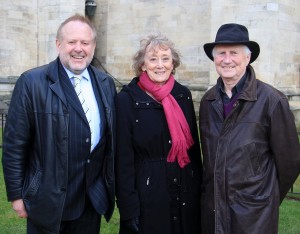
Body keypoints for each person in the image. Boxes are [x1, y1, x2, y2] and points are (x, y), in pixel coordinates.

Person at [2, 14, 117, 234]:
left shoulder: (105, 83)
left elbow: (110, 141)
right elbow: (14, 145)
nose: (78, 48)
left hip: (90, 201)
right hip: (47, 199)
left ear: (93, 46)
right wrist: (16, 195)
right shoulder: (31, 82)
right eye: (72, 42)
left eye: (85, 42)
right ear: (58, 44)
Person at [199, 23, 300, 234]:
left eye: (234, 52)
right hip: (214, 212)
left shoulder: (272, 101)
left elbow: (289, 164)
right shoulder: (208, 101)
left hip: (254, 218)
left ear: (247, 57)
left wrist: (265, 200)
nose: (227, 59)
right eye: (221, 53)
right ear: (214, 59)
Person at [115, 33, 202, 234]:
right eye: (153, 59)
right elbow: (123, 160)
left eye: (165, 58)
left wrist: (198, 191)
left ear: (173, 64)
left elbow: (193, 152)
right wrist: (129, 208)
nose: (160, 65)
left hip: (184, 191)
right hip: (149, 194)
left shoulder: (183, 95)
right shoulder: (127, 100)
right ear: (143, 65)